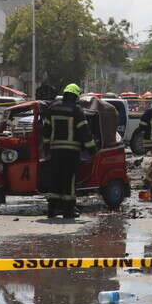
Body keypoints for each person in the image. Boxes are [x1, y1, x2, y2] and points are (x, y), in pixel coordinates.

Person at [43, 83, 96, 218]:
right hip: (71, 152)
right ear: (75, 96)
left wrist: (46, 147)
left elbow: (46, 130)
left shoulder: (53, 108)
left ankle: (52, 209)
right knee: (69, 180)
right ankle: (68, 211)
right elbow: (85, 132)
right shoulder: (76, 110)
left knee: (55, 178)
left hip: (55, 151)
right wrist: (93, 150)